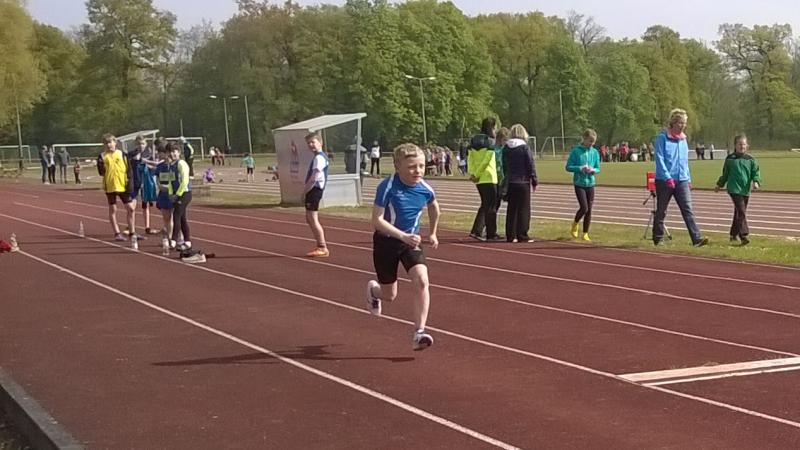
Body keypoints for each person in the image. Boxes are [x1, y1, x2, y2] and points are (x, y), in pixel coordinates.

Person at [365, 143, 440, 350]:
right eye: (412, 167)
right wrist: (402, 236)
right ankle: (374, 292)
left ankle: (419, 332)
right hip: (386, 242)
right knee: (389, 295)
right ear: (398, 167)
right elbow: (377, 220)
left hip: (411, 242)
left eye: (421, 166)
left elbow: (434, 209)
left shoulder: (425, 189)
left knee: (422, 280)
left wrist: (432, 233)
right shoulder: (387, 187)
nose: (418, 171)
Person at [653, 108, 708, 247]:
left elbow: (684, 161)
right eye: (680, 123)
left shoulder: (683, 139)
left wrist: (688, 179)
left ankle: (696, 239)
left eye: (684, 123)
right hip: (665, 181)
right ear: (673, 122)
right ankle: (658, 238)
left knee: (687, 209)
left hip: (682, 180)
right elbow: (659, 159)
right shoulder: (662, 138)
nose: (682, 126)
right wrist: (667, 177)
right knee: (662, 210)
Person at [715, 134, 762, 246]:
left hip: (745, 190)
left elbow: (755, 172)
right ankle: (743, 235)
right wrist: (719, 184)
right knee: (741, 211)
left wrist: (756, 181)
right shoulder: (730, 159)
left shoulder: (750, 159)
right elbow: (725, 174)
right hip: (734, 189)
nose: (742, 146)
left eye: (744, 144)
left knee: (738, 212)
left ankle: (733, 234)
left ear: (747, 146)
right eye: (739, 144)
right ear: (735, 145)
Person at [96, 134, 136, 241]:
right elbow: (101, 173)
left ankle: (132, 232)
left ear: (115, 143)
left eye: (110, 142)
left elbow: (129, 170)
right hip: (110, 186)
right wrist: (100, 165)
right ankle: (117, 233)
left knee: (131, 208)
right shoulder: (102, 156)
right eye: (106, 143)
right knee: (113, 209)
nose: (109, 145)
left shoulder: (122, 154)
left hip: (122, 185)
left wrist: (130, 184)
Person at [502, 124, 537, 242]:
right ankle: (522, 235)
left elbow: (504, 165)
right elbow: (530, 164)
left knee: (511, 209)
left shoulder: (506, 147)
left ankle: (510, 235)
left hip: (511, 181)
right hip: (523, 181)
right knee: (524, 209)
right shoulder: (524, 147)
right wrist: (534, 179)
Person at [468, 117, 501, 241]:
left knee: (485, 205)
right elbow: (487, 160)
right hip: (489, 177)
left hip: (479, 179)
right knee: (491, 206)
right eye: (495, 128)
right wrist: (477, 173)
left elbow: (470, 158)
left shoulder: (473, 140)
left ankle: (477, 230)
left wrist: (473, 173)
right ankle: (491, 233)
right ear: (492, 127)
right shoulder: (490, 142)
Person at [566, 129, 601, 241]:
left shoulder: (595, 152)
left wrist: (593, 170)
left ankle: (585, 233)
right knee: (584, 207)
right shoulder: (576, 151)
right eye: (590, 141)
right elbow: (568, 167)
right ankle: (575, 223)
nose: (592, 144)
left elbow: (598, 168)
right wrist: (580, 168)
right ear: (584, 139)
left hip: (590, 183)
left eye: (593, 142)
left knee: (589, 209)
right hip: (579, 183)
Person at [304, 133, 330, 257]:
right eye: (308, 143)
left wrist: (305, 191)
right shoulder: (318, 157)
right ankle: (320, 246)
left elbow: (314, 177)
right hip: (314, 190)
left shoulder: (319, 158)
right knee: (309, 219)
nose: (311, 145)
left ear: (320, 142)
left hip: (314, 190)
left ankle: (322, 247)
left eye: (313, 142)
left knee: (313, 219)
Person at [167, 142, 192, 251]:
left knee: (176, 215)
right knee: (182, 218)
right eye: (170, 152)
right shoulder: (171, 165)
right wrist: (170, 194)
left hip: (185, 193)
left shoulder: (181, 163)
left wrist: (177, 195)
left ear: (179, 152)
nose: (172, 154)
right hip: (176, 194)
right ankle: (187, 241)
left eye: (174, 152)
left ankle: (173, 240)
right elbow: (170, 181)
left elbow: (185, 181)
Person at [154, 144, 175, 246]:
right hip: (163, 194)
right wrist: (160, 186)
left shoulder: (174, 166)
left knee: (175, 217)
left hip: (173, 194)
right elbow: (158, 179)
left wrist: (169, 188)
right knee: (166, 217)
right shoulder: (160, 166)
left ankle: (176, 238)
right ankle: (169, 237)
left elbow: (176, 180)